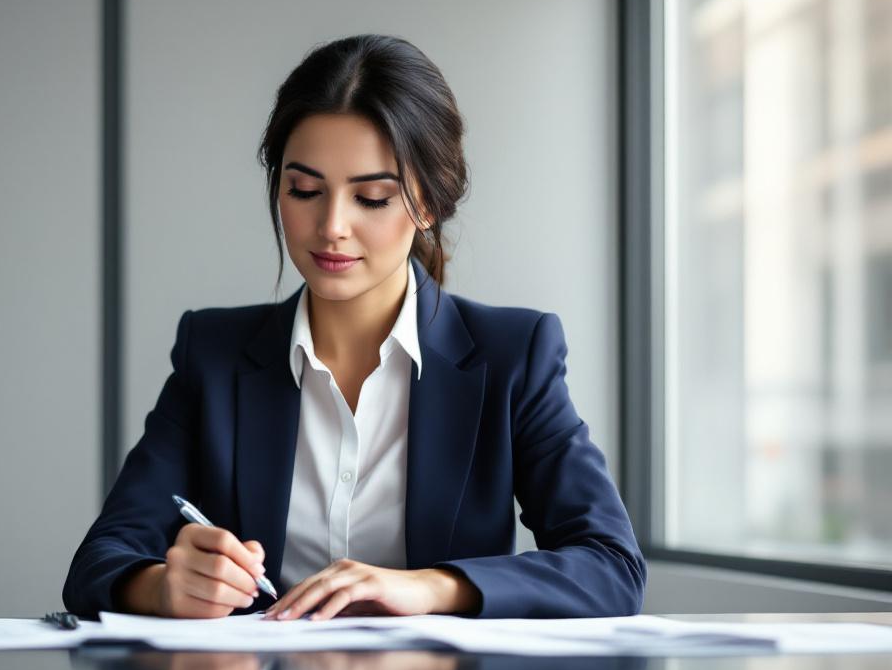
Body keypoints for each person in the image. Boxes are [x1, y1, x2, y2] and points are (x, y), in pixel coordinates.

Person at [62, 34, 645, 621]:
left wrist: (431, 587)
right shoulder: (213, 355)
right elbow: (100, 561)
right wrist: (164, 585)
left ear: (430, 203)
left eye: (371, 198)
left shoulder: (513, 356)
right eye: (305, 190)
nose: (331, 226)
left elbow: (611, 567)